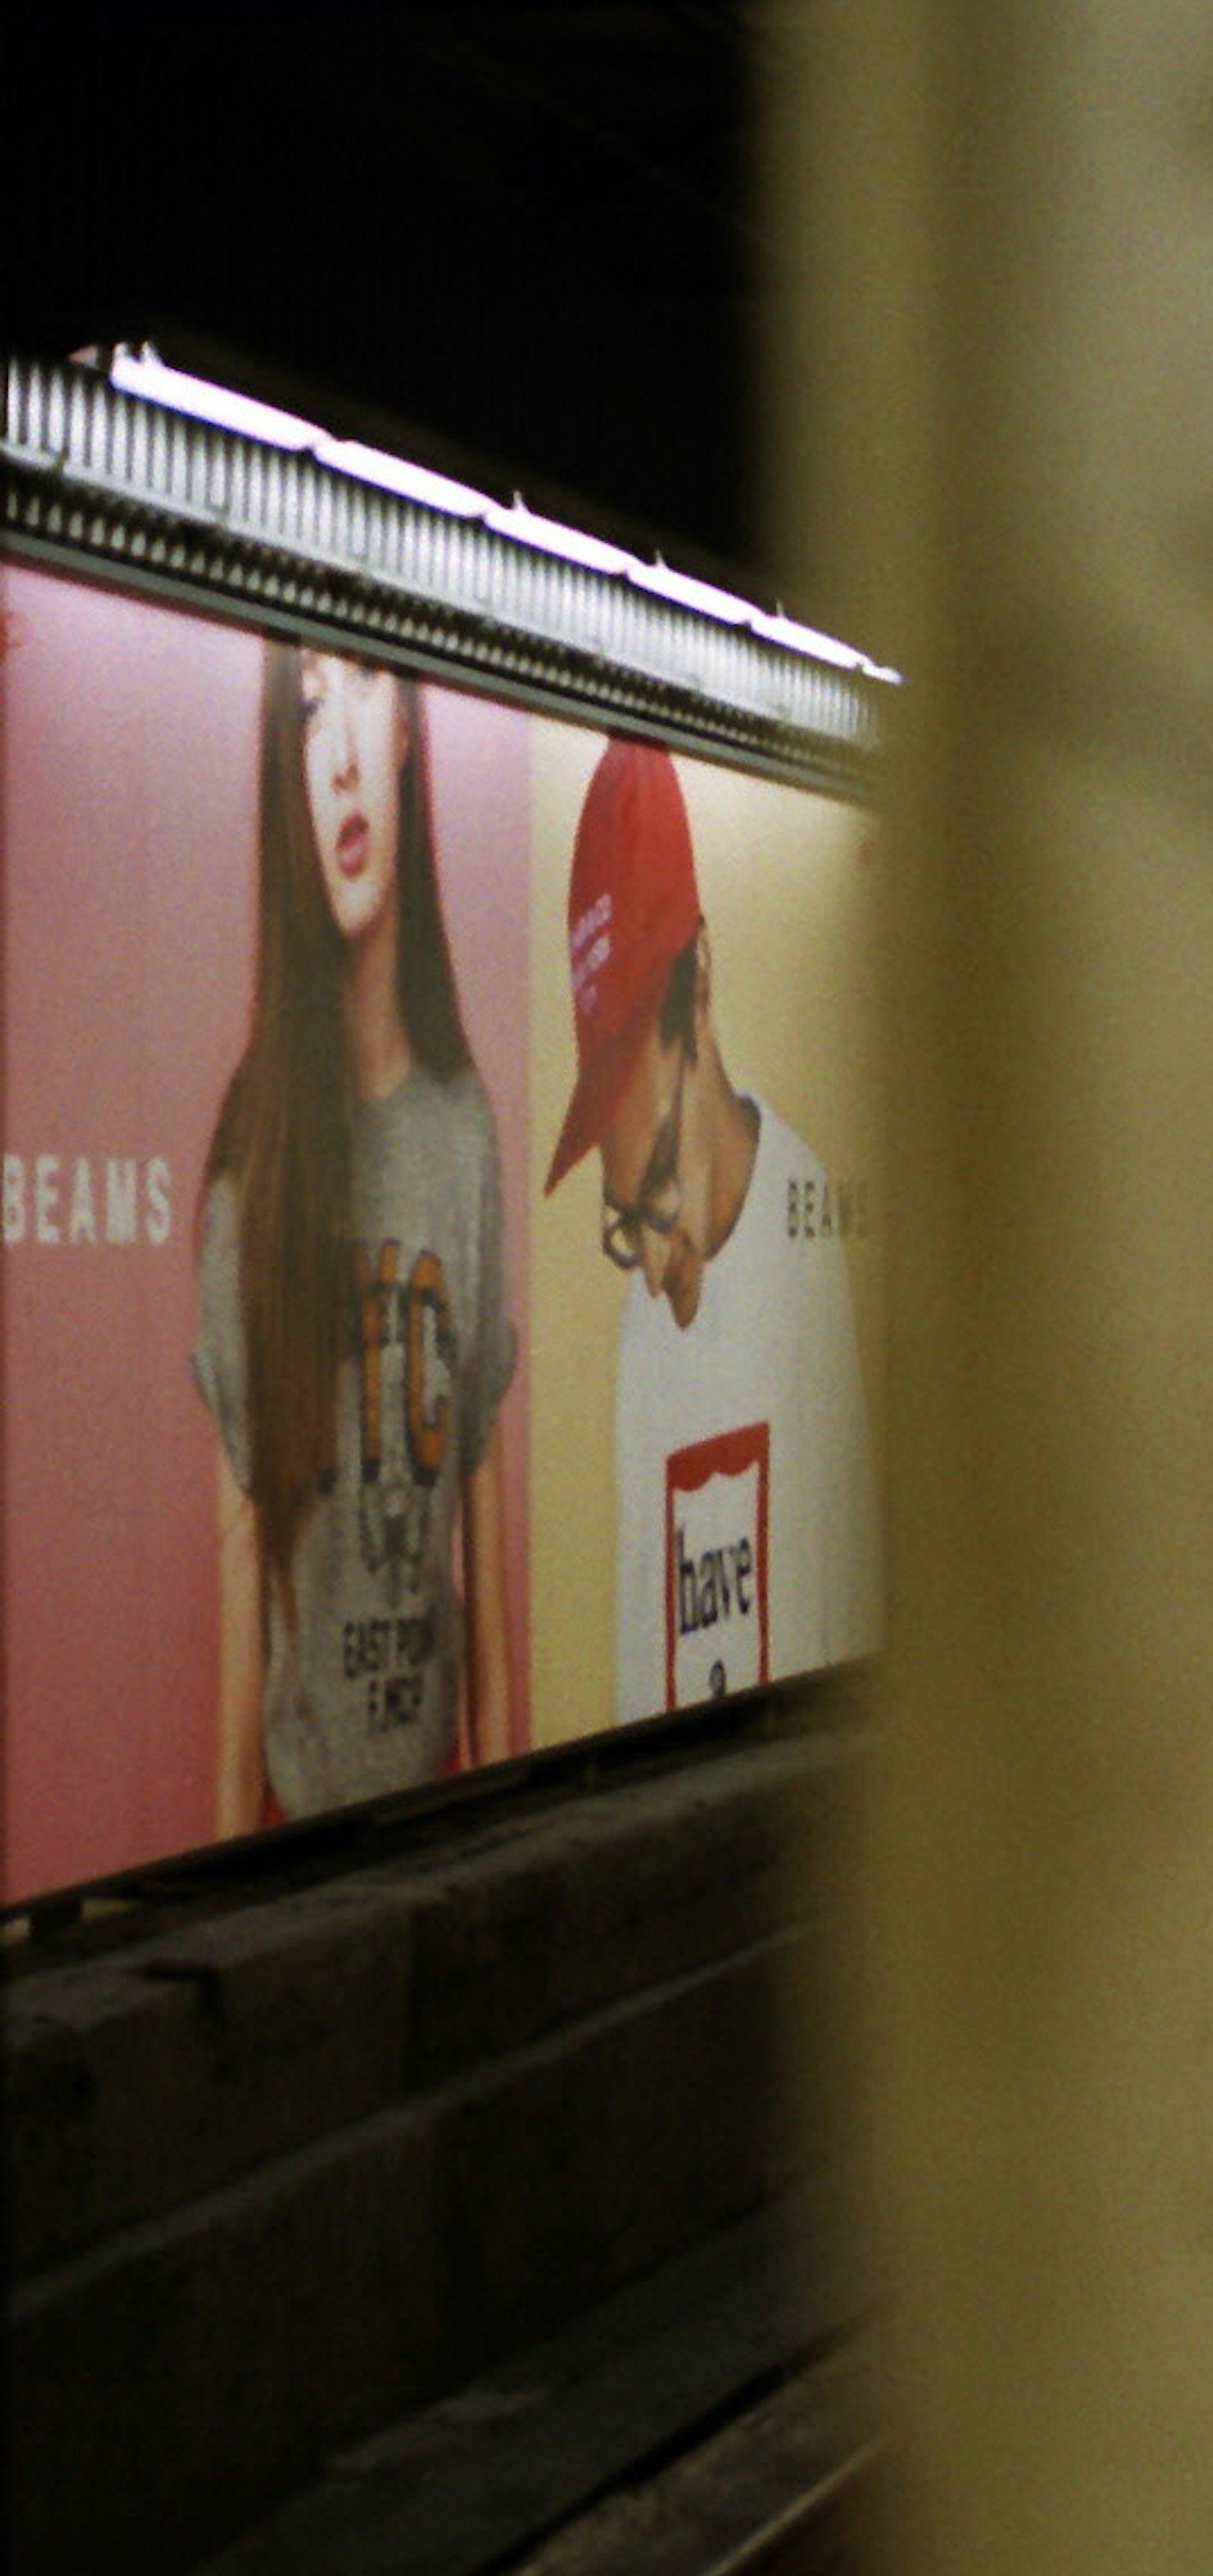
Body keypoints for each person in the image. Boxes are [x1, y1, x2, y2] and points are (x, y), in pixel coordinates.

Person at [196, 641, 517, 1830]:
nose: (336, 757)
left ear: (408, 727)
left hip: (443, 1824)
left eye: (364, 688)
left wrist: (510, 1833)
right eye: (306, 713)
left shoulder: (461, 1128)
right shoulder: (252, 1164)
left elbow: (487, 1587)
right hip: (300, 1850)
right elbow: (242, 1621)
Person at [543, 737, 880, 1719]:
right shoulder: (640, 1334)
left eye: (655, 1189)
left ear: (701, 994)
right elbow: (639, 1671)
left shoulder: (804, 1230)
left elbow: (854, 1605)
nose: (651, 1265)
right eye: (625, 1225)